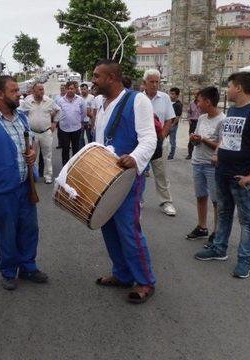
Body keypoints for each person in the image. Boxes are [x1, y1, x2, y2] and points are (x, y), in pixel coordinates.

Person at [0, 75, 48, 291]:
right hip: (2, 191)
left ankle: (28, 267)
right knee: (7, 232)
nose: (19, 94)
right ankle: (8, 270)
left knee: (29, 228)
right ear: (0, 94)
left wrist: (32, 153)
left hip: (24, 186)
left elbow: (30, 143)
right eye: (14, 91)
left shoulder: (21, 118)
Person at [91, 59, 157, 304]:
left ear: (112, 78)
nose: (93, 80)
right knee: (108, 226)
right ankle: (122, 274)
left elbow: (149, 138)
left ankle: (145, 280)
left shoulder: (137, 100)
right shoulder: (101, 104)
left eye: (98, 76)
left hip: (128, 177)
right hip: (105, 176)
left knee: (129, 230)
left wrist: (135, 157)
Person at [194, 72, 250, 280]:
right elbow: (227, 138)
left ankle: (245, 260)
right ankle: (219, 249)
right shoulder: (234, 109)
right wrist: (218, 153)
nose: (227, 90)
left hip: (241, 175)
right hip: (223, 171)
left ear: (239, 87)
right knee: (225, 213)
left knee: (247, 220)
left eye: (229, 86)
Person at [186, 87, 224, 248]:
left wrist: (203, 140)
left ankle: (217, 232)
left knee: (216, 201)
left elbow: (222, 145)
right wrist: (194, 139)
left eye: (199, 100)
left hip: (212, 165)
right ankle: (202, 227)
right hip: (197, 162)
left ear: (208, 102)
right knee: (201, 196)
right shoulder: (201, 118)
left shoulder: (223, 120)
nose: (198, 104)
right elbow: (196, 138)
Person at [143, 69, 177, 216]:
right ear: (145, 83)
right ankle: (138, 199)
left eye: (157, 81)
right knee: (138, 173)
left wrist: (162, 135)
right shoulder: (138, 98)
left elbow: (170, 118)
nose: (155, 84)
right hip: (142, 143)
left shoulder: (164, 98)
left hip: (160, 142)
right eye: (152, 81)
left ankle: (166, 202)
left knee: (161, 174)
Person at [18, 82, 60, 184]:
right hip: (32, 133)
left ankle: (48, 176)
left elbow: (59, 110)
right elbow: (19, 112)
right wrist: (23, 125)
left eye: (43, 89)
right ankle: (34, 176)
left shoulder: (49, 101)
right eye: (39, 89)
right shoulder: (27, 101)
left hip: (46, 133)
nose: (42, 91)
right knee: (33, 156)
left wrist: (54, 122)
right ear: (33, 91)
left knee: (47, 156)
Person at [56, 81, 86, 165]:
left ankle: (74, 168)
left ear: (75, 90)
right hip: (64, 130)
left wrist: (79, 122)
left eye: (72, 88)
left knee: (76, 149)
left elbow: (83, 113)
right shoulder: (60, 101)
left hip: (76, 129)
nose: (70, 90)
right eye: (68, 88)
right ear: (65, 89)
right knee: (65, 149)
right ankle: (65, 169)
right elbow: (58, 114)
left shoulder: (80, 100)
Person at [167, 87, 183, 160]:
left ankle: (171, 155)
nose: (171, 95)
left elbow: (177, 117)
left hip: (173, 125)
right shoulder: (168, 102)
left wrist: (172, 125)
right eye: (170, 93)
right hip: (166, 124)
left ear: (177, 95)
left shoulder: (178, 104)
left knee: (172, 141)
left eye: (173, 94)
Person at [186, 95, 202, 160]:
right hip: (193, 122)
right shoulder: (191, 103)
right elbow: (188, 112)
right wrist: (189, 119)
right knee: (191, 138)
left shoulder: (202, 103)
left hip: (200, 121)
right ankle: (190, 154)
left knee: (200, 137)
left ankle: (199, 154)